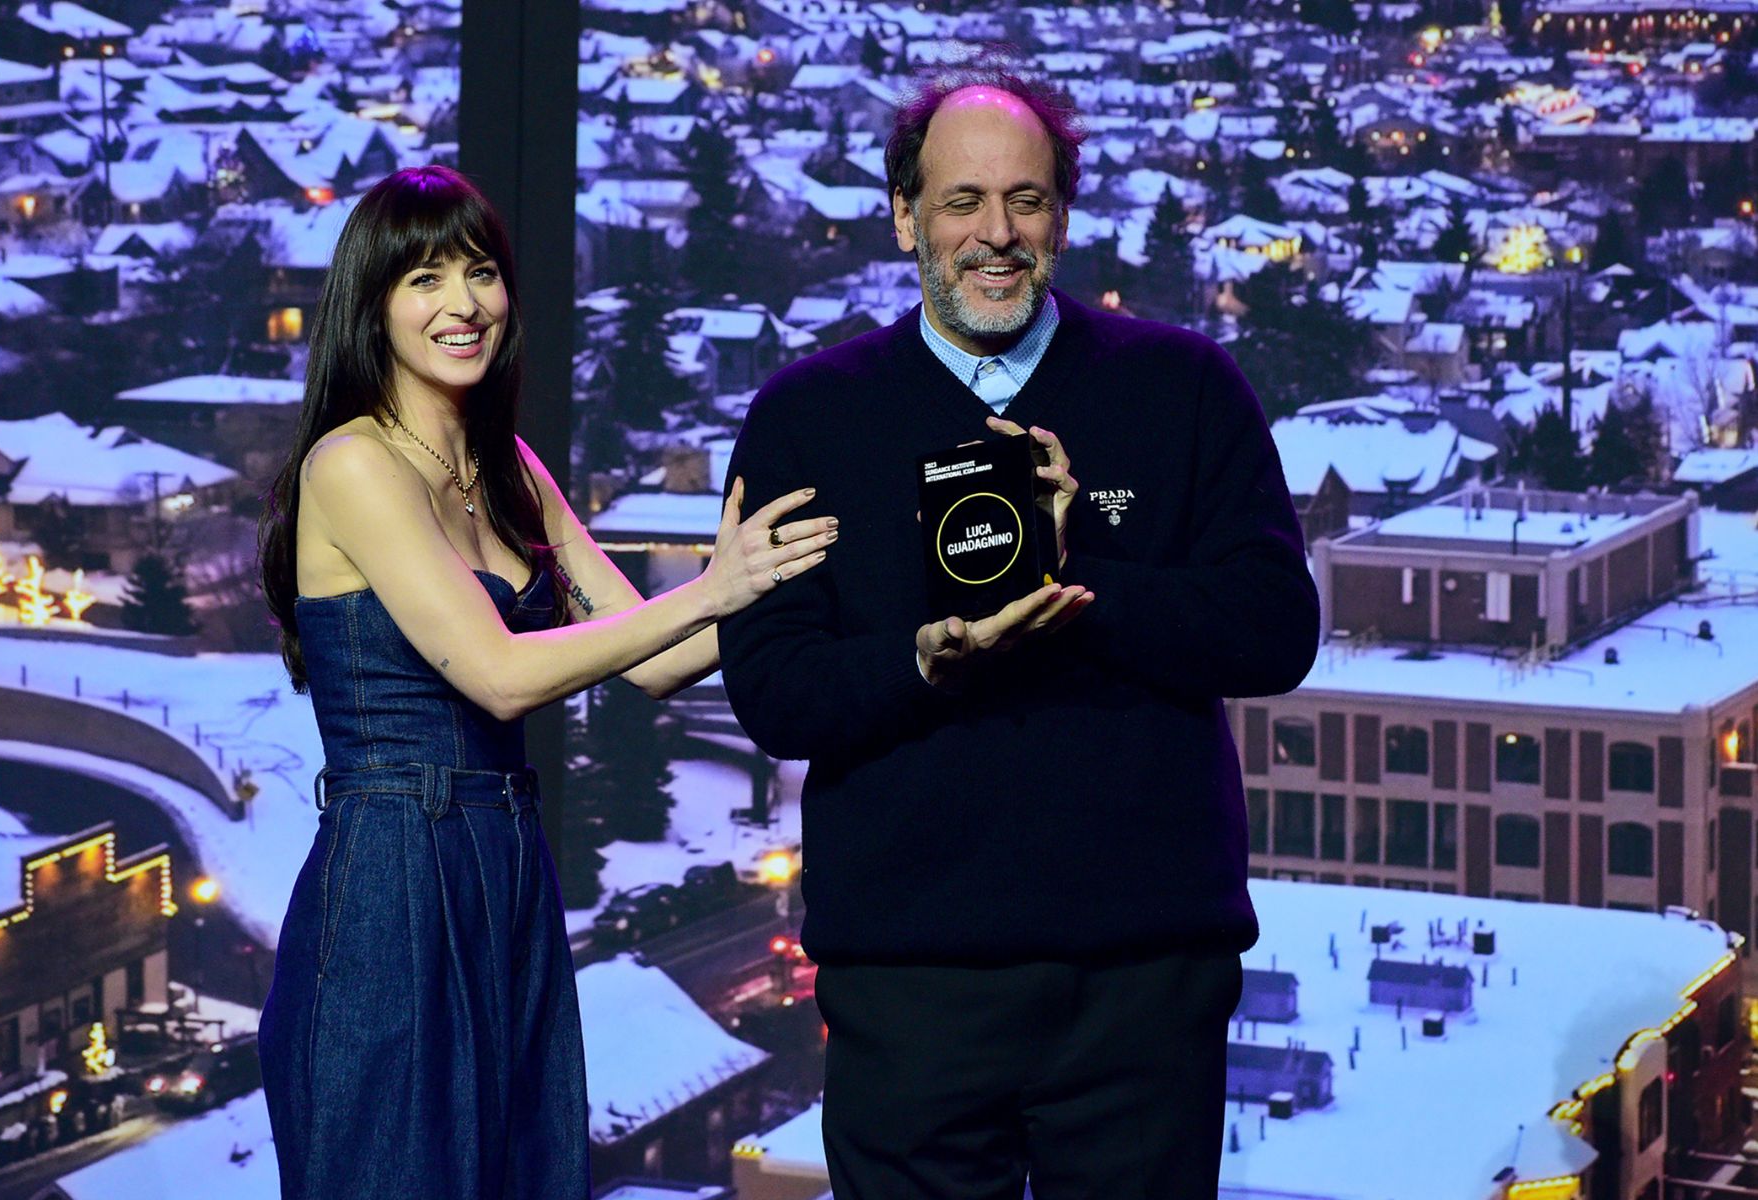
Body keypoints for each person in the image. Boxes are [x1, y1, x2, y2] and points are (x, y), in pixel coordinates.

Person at [718, 68, 1321, 1199]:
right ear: (903, 216)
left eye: (1027, 200)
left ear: (1062, 213)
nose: (995, 234)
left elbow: (1274, 630)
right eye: (960, 202)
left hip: (1143, 983)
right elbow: (773, 688)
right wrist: (922, 660)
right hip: (909, 988)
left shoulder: (1181, 385)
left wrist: (1075, 571)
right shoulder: (808, 414)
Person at [253, 165, 835, 1199]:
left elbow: (654, 658)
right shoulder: (350, 465)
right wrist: (711, 589)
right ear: (372, 303)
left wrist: (781, 573)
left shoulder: (507, 465)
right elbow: (497, 675)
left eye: (480, 272)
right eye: (423, 279)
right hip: (393, 872)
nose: (462, 304)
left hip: (510, 870)